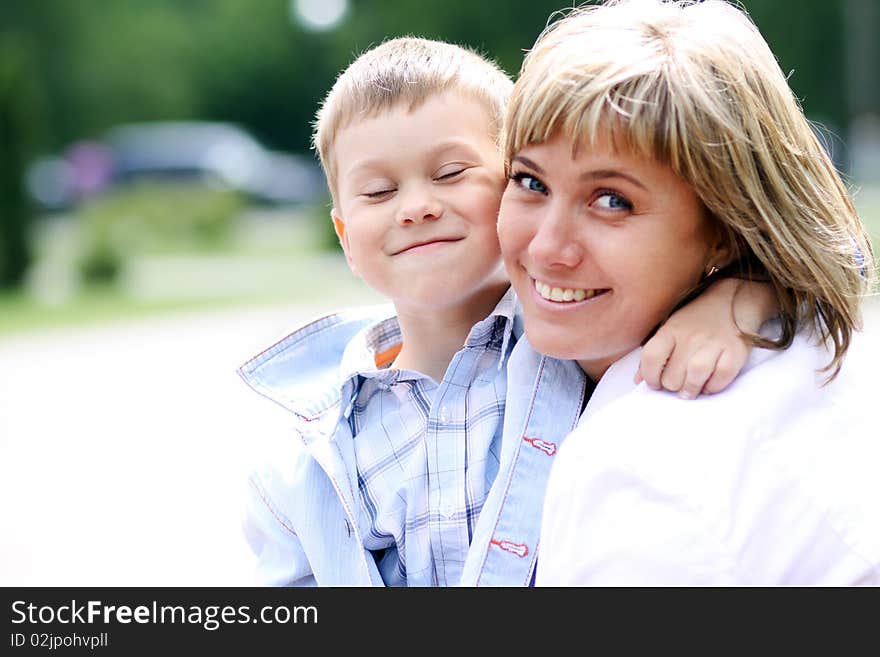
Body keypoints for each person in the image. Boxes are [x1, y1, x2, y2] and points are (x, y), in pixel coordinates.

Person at [238, 36, 777, 586]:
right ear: (346, 237)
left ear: (518, 189)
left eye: (450, 174)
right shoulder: (315, 450)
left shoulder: (574, 326)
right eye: (378, 191)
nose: (417, 206)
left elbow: (828, 257)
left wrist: (739, 296)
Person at [492, 0, 879, 585]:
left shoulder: (645, 466)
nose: (547, 247)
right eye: (530, 182)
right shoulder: (829, 346)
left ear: (726, 229)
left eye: (612, 200)